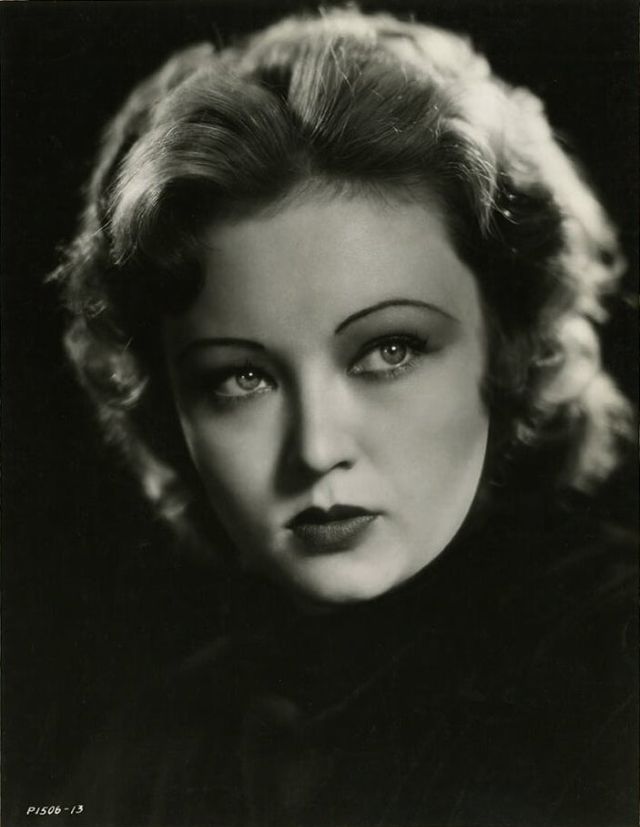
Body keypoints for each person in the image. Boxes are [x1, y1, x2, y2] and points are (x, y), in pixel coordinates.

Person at [51, 8, 636, 826]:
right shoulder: (150, 756)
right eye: (240, 377)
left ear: (512, 350)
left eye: (389, 350)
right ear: (169, 410)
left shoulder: (615, 675)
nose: (317, 449)